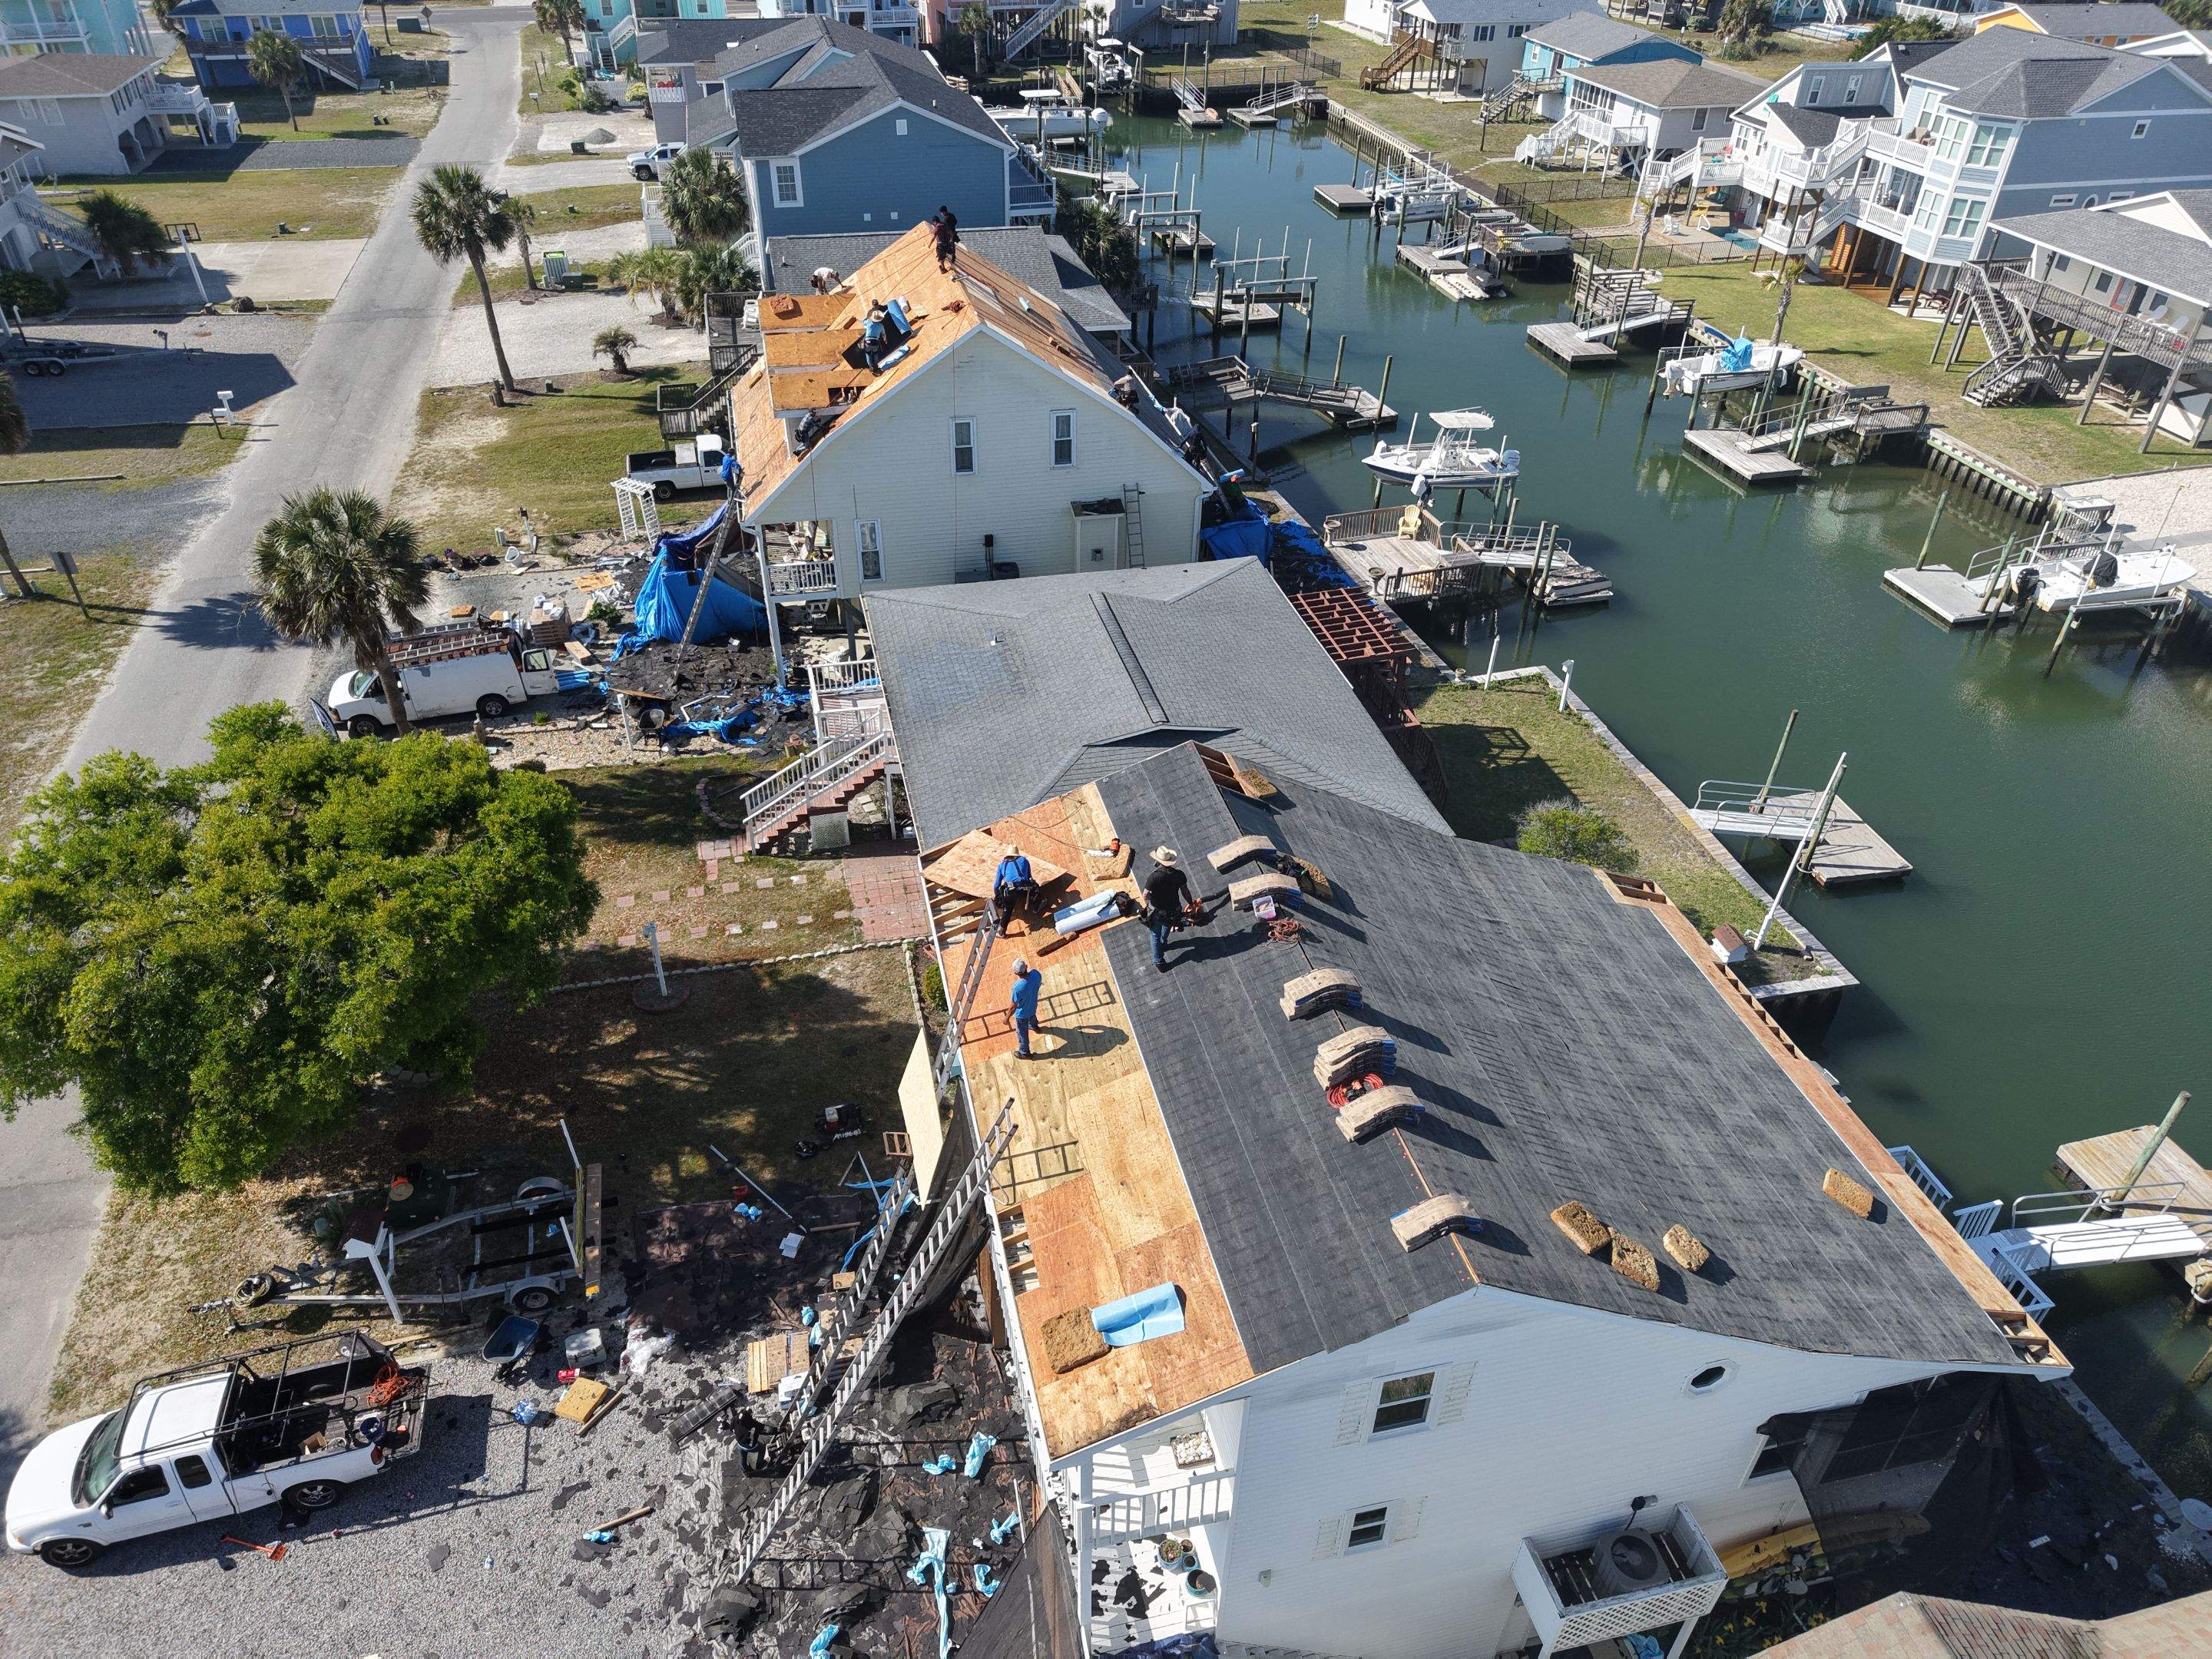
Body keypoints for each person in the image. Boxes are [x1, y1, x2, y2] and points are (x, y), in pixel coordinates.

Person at [1142, 846, 1195, 972]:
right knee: (1167, 927)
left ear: (1158, 862)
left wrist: (1151, 902)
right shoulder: (1179, 875)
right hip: (1174, 910)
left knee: (1154, 934)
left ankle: (1159, 961)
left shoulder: (1153, 877)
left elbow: (1145, 895)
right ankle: (1164, 943)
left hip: (1156, 911)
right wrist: (1191, 904)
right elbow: (1185, 892)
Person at [992, 843, 1036, 926]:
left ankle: (1002, 931)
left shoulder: (1002, 865)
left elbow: (996, 885)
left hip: (1010, 892)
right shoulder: (1024, 860)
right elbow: (1029, 877)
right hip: (1024, 891)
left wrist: (998, 897)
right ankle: (1037, 903)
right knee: (1035, 887)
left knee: (1007, 910)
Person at [1009, 957, 1044, 1059]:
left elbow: (1013, 1007)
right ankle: (1035, 1027)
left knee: (1022, 1033)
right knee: (1032, 1017)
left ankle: (1024, 1052)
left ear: (1016, 973)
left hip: (1022, 1014)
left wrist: (1006, 1018)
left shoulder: (1017, 987)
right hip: (1033, 1006)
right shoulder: (1036, 974)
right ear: (1026, 967)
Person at [932, 204, 959, 272]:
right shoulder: (952, 215)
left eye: (941, 212)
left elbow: (945, 228)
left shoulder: (946, 219)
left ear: (943, 212)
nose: (941, 214)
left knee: (947, 245)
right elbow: (956, 222)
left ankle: (947, 257)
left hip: (949, 234)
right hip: (953, 232)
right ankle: (953, 256)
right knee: (953, 245)